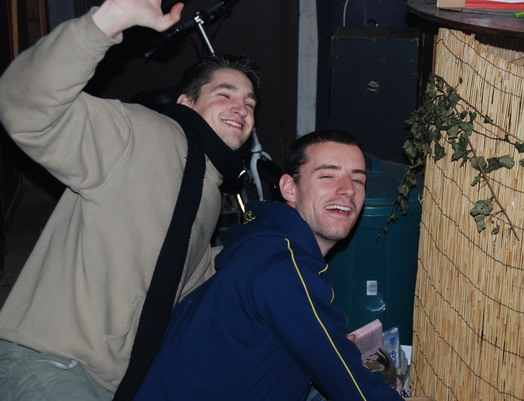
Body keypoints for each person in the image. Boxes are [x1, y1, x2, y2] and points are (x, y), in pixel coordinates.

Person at [0, 0, 259, 399]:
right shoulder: (137, 132)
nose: (241, 108)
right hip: (52, 361)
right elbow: (26, 104)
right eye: (225, 94)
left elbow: (184, 279)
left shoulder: (209, 190)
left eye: (250, 104)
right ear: (186, 103)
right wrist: (109, 19)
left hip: (116, 383)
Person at [133, 130, 405, 400]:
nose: (348, 190)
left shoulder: (269, 242)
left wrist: (331, 344)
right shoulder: (283, 266)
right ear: (289, 188)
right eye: (327, 176)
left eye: (358, 179)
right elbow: (350, 384)